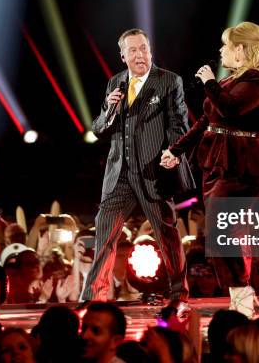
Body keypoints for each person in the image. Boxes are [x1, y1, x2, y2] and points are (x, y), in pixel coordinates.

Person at [82, 28, 195, 310]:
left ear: (150, 51)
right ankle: (93, 297)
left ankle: (179, 294)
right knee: (104, 233)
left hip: (152, 173)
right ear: (123, 56)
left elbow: (178, 122)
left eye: (143, 48)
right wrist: (109, 111)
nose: (139, 54)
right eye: (132, 50)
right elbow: (98, 129)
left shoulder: (168, 81)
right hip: (119, 174)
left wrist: (175, 152)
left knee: (166, 233)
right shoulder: (115, 83)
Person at [161, 21, 259, 287]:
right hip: (216, 162)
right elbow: (205, 121)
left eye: (226, 46)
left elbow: (231, 109)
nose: (221, 50)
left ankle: (242, 293)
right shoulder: (229, 81)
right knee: (221, 231)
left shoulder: (256, 80)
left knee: (224, 229)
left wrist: (210, 83)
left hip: (241, 164)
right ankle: (239, 294)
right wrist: (176, 150)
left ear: (240, 49)